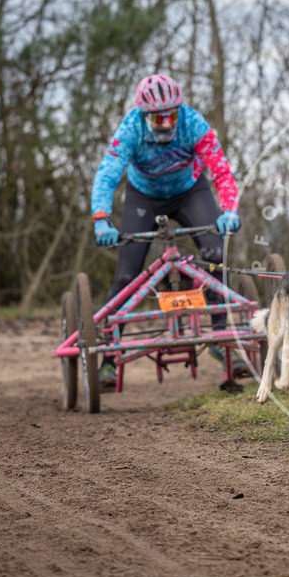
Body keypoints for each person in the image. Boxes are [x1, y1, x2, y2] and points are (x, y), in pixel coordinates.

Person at [91, 73, 247, 392]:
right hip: (143, 196)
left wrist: (230, 210)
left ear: (180, 111)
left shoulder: (194, 123)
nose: (166, 123)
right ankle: (108, 355)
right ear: (144, 116)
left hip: (190, 190)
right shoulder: (130, 128)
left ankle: (220, 338)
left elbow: (219, 167)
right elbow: (108, 173)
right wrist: (102, 218)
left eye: (171, 114)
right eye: (158, 117)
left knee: (215, 254)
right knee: (127, 273)